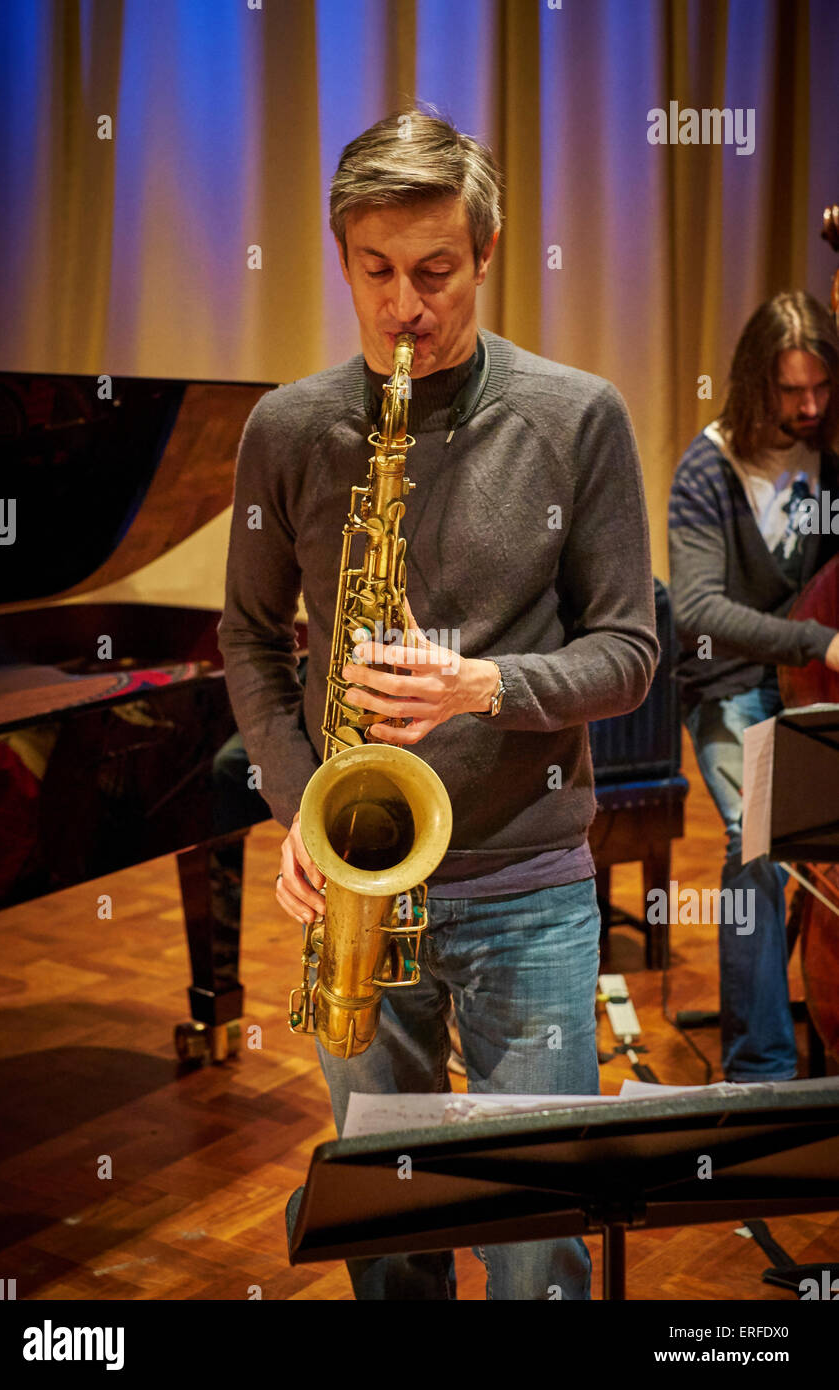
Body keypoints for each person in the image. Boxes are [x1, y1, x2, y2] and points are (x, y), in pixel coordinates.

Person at [218, 108, 658, 1300]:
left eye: (434, 272)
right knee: (386, 1239)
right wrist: (298, 803)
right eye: (375, 273)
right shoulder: (289, 429)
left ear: (489, 250)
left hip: (530, 888)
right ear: (339, 255)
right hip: (358, 889)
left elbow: (629, 651)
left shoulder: (578, 417)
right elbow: (249, 639)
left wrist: (486, 685)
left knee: (536, 1239)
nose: (404, 309)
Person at [668, 291, 839, 1084]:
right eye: (790, 391)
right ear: (753, 383)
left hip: (813, 686)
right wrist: (818, 641)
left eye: (821, 388)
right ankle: (761, 1070)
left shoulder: (831, 453)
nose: (808, 407)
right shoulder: (707, 469)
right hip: (733, 684)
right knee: (759, 843)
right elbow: (701, 609)